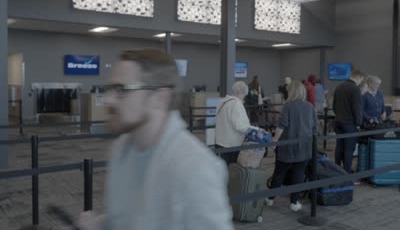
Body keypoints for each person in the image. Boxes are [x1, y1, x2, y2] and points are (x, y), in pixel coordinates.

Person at [77, 49, 234, 230]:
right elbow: (127, 219)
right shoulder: (121, 149)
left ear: (159, 98)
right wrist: (100, 225)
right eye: (109, 89)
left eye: (121, 90)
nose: (108, 100)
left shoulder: (195, 167)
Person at [265, 81, 318, 212]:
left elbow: (282, 125)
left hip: (286, 147)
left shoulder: (288, 106)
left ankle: (270, 199)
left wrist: (274, 141)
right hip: (304, 146)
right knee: (299, 173)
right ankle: (294, 202)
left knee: (279, 172)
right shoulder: (310, 107)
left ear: (292, 92)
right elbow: (315, 127)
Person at [215, 81, 259, 165]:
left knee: (223, 168)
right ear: (242, 93)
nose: (244, 98)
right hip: (231, 144)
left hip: (220, 142)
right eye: (244, 96)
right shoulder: (236, 104)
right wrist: (255, 129)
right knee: (231, 170)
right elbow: (239, 126)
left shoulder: (222, 102)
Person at [333, 70, 365, 173]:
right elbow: (357, 108)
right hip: (349, 124)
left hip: (338, 122)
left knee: (339, 147)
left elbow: (334, 106)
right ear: (358, 77)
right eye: (361, 80)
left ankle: (336, 170)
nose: (361, 83)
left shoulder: (338, 87)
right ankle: (346, 173)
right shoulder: (355, 89)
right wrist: (359, 123)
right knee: (349, 149)